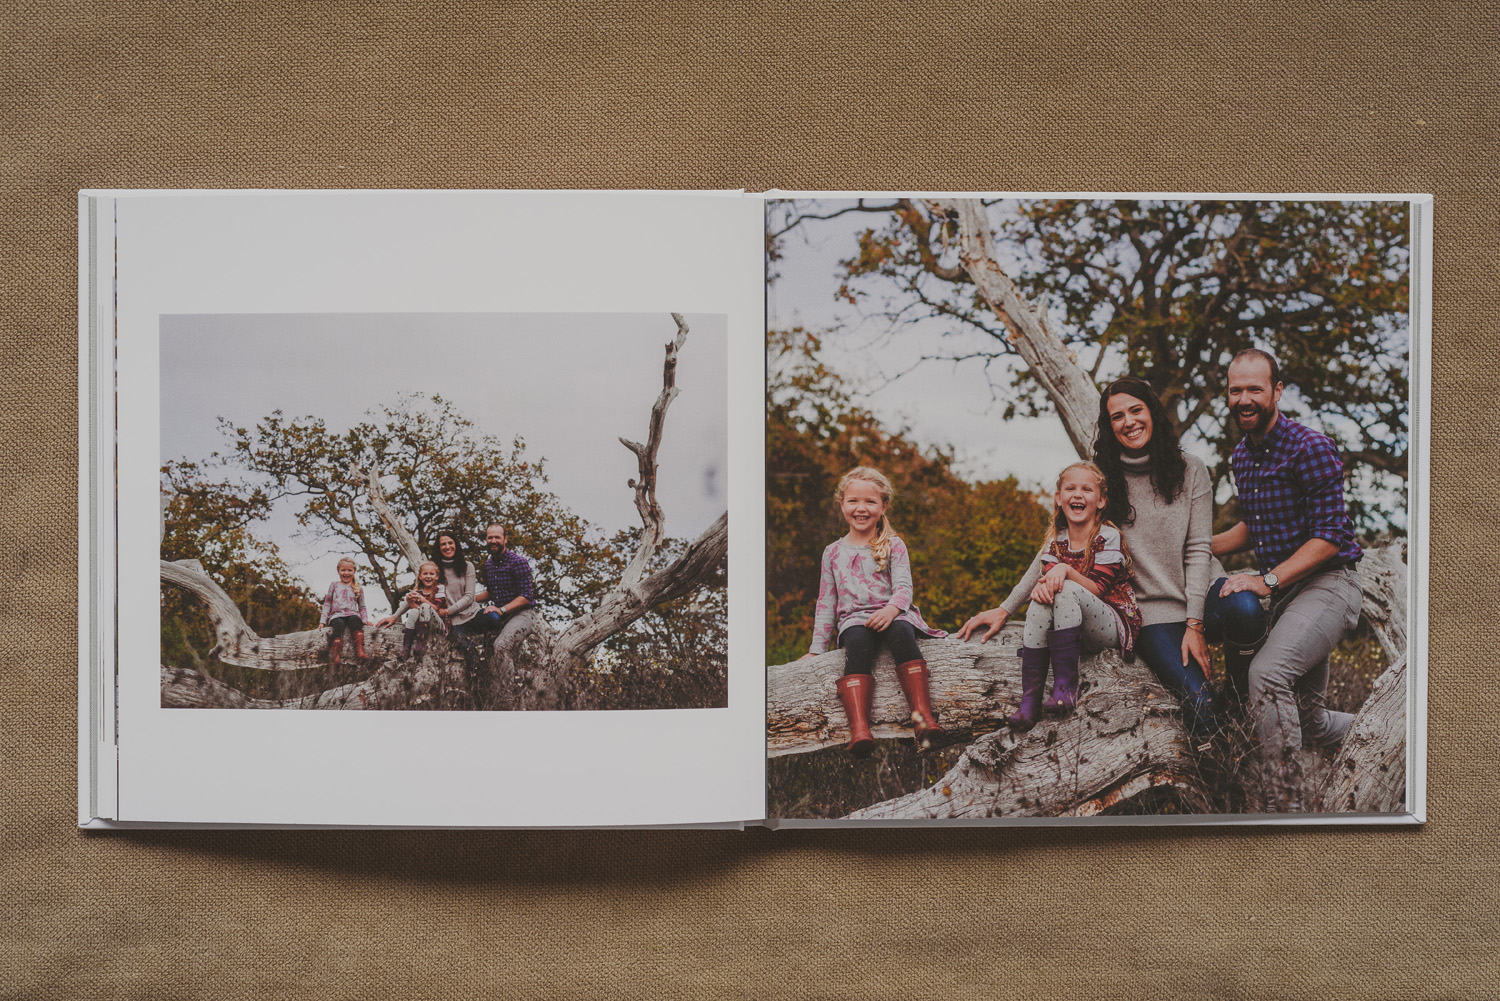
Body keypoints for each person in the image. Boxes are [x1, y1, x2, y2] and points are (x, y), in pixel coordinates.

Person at [1212, 348, 1364, 810]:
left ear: (1277, 391)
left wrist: (1267, 581)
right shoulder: (1243, 455)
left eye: (1255, 389)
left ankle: (1285, 810)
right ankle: (1390, 730)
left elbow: (1331, 538)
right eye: (1236, 390)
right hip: (1288, 596)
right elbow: (1252, 526)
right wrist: (1196, 544)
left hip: (1329, 585)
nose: (1244, 399)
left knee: (1267, 673)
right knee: (1311, 723)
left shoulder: (1310, 447)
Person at [1089, 376, 1263, 742]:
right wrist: (1009, 607)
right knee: (1202, 708)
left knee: (1247, 608)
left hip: (1201, 593)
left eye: (1136, 410)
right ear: (1109, 426)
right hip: (1152, 613)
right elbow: (1062, 540)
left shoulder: (1191, 469)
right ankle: (1218, 788)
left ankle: (1237, 695)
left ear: (1152, 411)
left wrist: (1195, 624)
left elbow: (1200, 548)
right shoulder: (1102, 480)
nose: (1129, 422)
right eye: (1117, 416)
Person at [959, 461, 1141, 729]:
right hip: (1072, 627)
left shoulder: (1108, 537)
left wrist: (1065, 570)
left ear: (1101, 501)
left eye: (1087, 490)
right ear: (1058, 498)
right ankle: (1030, 701)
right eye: (1070, 488)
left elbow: (1098, 589)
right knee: (1042, 593)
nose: (1077, 494)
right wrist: (1004, 610)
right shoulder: (1057, 541)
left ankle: (1066, 687)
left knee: (1061, 587)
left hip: (1110, 624)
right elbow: (1031, 578)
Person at [802, 466, 946, 755]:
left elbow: (904, 588)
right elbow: (826, 602)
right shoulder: (832, 552)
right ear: (841, 503)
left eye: (870, 502)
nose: (861, 509)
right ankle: (860, 730)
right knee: (856, 641)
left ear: (884, 506)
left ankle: (923, 719)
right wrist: (817, 649)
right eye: (853, 501)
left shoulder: (894, 545)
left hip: (895, 614)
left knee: (902, 633)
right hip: (855, 620)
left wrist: (892, 611)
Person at [472, 523, 537, 663]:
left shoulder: (518, 562)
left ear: (505, 539)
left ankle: (505, 686)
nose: (493, 541)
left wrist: (502, 610)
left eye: (497, 537)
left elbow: (526, 596)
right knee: (486, 651)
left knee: (502, 646)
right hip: (501, 616)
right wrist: (469, 599)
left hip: (523, 614)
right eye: (490, 538)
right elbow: (490, 593)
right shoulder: (488, 565)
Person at [429, 530, 483, 665]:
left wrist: (448, 610)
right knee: (469, 649)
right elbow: (418, 593)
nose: (447, 547)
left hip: (472, 614)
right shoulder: (434, 570)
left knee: (494, 619)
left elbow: (470, 596)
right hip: (452, 622)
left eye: (450, 543)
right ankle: (479, 681)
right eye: (443, 544)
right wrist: (394, 616)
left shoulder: (467, 566)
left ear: (456, 544)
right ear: (439, 548)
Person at [376, 561, 448, 659]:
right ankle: (406, 649)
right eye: (425, 573)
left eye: (431, 574)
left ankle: (421, 643)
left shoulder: (439, 588)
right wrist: (396, 615)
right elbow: (411, 608)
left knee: (425, 606)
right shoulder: (417, 591)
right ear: (420, 576)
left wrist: (421, 599)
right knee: (414, 611)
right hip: (423, 625)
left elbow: (435, 608)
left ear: (436, 577)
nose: (428, 576)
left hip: (438, 625)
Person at [319, 556, 370, 667]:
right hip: (336, 615)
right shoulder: (334, 585)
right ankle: (336, 656)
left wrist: (365, 620)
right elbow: (327, 603)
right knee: (339, 625)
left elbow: (362, 606)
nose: (346, 573)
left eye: (349, 570)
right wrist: (322, 621)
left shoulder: (358, 588)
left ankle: (360, 651)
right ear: (338, 571)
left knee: (356, 621)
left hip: (352, 613)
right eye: (343, 570)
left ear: (354, 571)